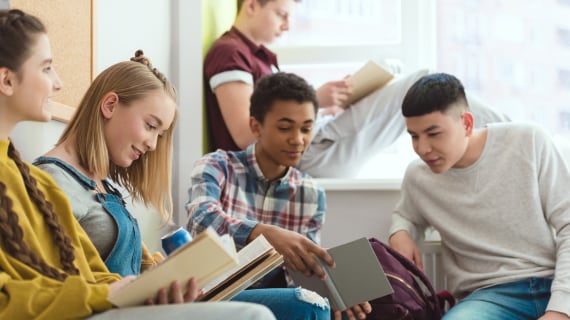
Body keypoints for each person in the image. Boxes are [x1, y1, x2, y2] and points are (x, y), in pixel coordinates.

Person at [0, 9, 276, 320]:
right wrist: (114, 292)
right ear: (7, 79)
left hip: (106, 303)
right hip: (90, 309)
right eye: (47, 67)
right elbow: (69, 284)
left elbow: (86, 271)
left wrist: (152, 281)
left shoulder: (32, 180)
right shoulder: (49, 180)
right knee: (256, 315)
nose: (58, 83)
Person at [33, 46, 330, 320]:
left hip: (137, 304)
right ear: (110, 105)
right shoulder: (52, 181)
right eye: (151, 126)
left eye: (159, 134)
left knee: (308, 304)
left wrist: (165, 275)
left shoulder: (103, 186)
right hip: (107, 310)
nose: (152, 145)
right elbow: (54, 280)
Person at [203, 0, 510, 178]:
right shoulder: (231, 53)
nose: (286, 26)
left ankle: (508, 140)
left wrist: (332, 105)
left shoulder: (258, 59)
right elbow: (245, 135)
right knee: (423, 81)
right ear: (253, 5)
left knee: (398, 74)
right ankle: (512, 134)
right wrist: (316, 101)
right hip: (304, 156)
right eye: (281, 14)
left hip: (313, 144)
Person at [188, 72, 372, 320]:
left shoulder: (311, 193)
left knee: (332, 306)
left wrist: (335, 293)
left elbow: (302, 268)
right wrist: (263, 234)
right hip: (214, 293)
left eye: (307, 129)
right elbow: (200, 220)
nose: (298, 140)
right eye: (285, 128)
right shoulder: (217, 165)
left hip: (278, 299)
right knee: (307, 305)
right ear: (256, 126)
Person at [388, 73, 570, 320]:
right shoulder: (419, 177)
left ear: (466, 123)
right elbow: (405, 214)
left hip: (553, 282)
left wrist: (560, 309)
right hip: (488, 297)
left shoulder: (529, 141)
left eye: (433, 133)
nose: (422, 148)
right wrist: (400, 231)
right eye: (414, 136)